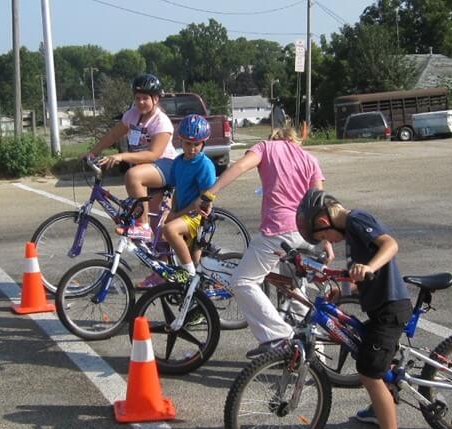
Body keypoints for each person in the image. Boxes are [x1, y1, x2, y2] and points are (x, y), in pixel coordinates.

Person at [295, 191, 413, 429]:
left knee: (369, 372)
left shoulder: (358, 219)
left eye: (324, 236)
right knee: (364, 350)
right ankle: (380, 409)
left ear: (325, 220)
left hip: (391, 309)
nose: (328, 242)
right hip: (380, 309)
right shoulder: (350, 233)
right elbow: (354, 276)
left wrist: (369, 266)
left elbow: (390, 244)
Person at [198, 125, 333, 358]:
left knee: (243, 281)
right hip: (306, 235)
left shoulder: (266, 148)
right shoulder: (310, 159)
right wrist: (327, 240)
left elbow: (239, 166)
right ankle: (315, 355)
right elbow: (320, 202)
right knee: (296, 291)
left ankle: (279, 338)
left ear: (273, 138)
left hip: (278, 232)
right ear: (294, 140)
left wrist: (210, 193)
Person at [87, 73, 175, 241]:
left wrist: (122, 156)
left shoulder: (160, 121)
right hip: (147, 169)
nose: (140, 102)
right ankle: (160, 262)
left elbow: (154, 154)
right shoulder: (132, 114)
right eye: (137, 98)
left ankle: (142, 225)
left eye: (145, 98)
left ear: (155, 99)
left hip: (165, 166)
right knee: (157, 233)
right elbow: (113, 135)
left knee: (133, 176)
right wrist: (93, 152)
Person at [160, 114, 216, 282]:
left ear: (203, 143)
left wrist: (177, 216)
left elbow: (205, 200)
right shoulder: (178, 162)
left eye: (196, 144)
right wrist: (172, 210)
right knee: (166, 233)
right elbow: (177, 190)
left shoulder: (204, 165)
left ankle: (188, 272)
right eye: (188, 144)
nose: (192, 149)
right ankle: (194, 286)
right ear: (180, 141)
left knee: (170, 230)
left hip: (198, 216)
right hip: (183, 214)